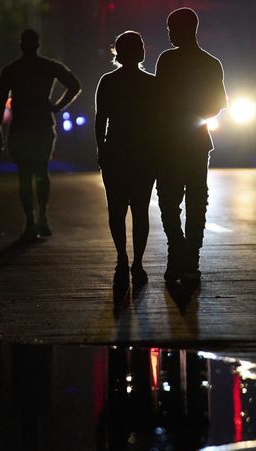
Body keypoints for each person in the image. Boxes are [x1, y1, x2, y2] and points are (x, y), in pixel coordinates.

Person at [154, 8, 227, 284]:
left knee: (168, 198)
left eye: (171, 28)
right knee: (197, 198)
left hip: (169, 141)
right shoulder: (211, 63)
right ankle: (191, 255)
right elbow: (218, 104)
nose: (169, 34)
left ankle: (177, 249)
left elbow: (159, 99)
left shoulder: (167, 60)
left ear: (182, 29)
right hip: (197, 140)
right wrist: (196, 112)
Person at [0, 29, 81, 242]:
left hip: (21, 127)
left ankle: (30, 220)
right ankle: (42, 217)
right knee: (41, 170)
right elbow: (74, 85)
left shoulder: (11, 70)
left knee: (24, 175)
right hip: (43, 125)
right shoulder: (49, 66)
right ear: (38, 44)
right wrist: (57, 106)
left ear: (21, 45)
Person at [95, 31, 156, 288]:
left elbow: (101, 120)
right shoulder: (152, 83)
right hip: (143, 154)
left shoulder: (108, 81)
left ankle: (122, 258)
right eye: (139, 45)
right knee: (140, 210)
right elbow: (159, 123)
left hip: (116, 151)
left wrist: (101, 150)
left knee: (117, 209)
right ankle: (137, 263)